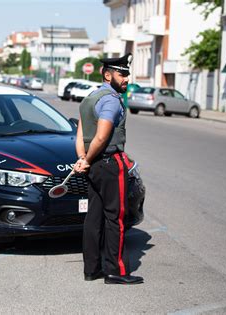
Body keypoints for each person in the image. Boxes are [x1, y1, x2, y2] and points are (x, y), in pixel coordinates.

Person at [74, 53, 144, 285]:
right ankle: (116, 271)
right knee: (116, 218)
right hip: (111, 164)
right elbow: (102, 136)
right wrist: (89, 157)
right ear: (107, 74)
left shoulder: (90, 98)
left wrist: (83, 159)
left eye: (127, 73)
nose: (126, 78)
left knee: (93, 218)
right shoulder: (111, 100)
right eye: (121, 73)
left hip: (94, 166)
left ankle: (91, 269)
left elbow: (81, 135)